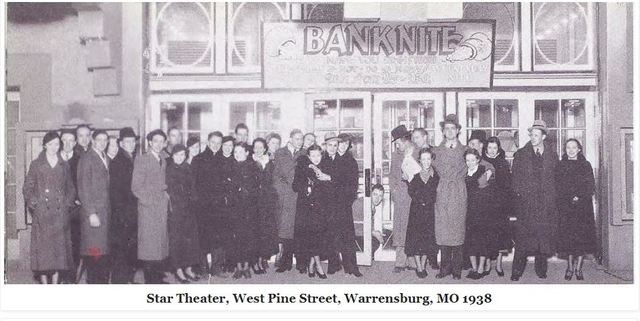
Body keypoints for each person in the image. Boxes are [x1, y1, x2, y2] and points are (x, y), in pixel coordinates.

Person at [23, 131, 75, 284]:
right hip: (43, 214)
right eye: (51, 144)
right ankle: (45, 284)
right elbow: (27, 187)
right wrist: (35, 204)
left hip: (60, 214)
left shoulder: (63, 164)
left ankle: (55, 283)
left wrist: (67, 203)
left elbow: (71, 188)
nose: (54, 147)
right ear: (45, 145)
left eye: (57, 144)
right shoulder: (36, 164)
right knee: (44, 252)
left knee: (58, 252)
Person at [510, 120, 559, 281]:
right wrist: (522, 196)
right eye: (531, 134)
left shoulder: (552, 155)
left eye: (536, 135)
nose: (533, 137)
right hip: (527, 204)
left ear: (543, 136)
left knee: (542, 238)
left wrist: (551, 199)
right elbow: (515, 180)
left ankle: (541, 269)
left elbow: (555, 179)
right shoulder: (521, 154)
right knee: (523, 239)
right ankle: (516, 271)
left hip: (545, 205)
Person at [131, 129, 170, 284]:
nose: (159, 144)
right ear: (149, 143)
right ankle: (151, 282)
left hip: (161, 208)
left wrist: (165, 196)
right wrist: (149, 202)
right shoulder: (142, 159)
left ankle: (157, 278)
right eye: (156, 141)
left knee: (160, 244)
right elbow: (136, 187)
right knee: (149, 247)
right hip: (148, 209)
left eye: (162, 141)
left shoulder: (163, 159)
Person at [432, 114, 468, 280]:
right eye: (446, 128)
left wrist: (489, 170)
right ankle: (444, 268)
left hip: (459, 191)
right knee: (443, 229)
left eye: (453, 128)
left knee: (457, 229)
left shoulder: (465, 150)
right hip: (443, 191)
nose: (450, 131)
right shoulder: (436, 151)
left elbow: (481, 162)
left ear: (458, 130)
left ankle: (457, 269)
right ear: (443, 131)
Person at [555, 138, 596, 281]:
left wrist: (579, 196)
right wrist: (568, 197)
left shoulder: (585, 165)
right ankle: (569, 267)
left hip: (582, 209)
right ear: (565, 150)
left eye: (574, 147)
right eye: (568, 147)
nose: (571, 150)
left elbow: (590, 185)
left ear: (579, 149)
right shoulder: (560, 165)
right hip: (566, 208)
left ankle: (578, 268)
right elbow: (558, 185)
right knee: (568, 239)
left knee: (581, 239)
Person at [77, 129, 111, 284]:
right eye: (99, 140)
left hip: (104, 213)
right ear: (93, 140)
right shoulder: (87, 158)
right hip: (94, 214)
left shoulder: (105, 157)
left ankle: (101, 283)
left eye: (105, 140)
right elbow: (83, 187)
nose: (102, 143)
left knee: (102, 252)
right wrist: (91, 213)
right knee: (94, 252)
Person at [292, 144, 331, 279]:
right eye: (313, 155)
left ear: (322, 155)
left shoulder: (326, 168)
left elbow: (329, 187)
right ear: (308, 157)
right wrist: (306, 188)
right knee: (312, 237)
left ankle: (311, 263)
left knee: (319, 237)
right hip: (306, 208)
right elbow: (295, 186)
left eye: (318, 155)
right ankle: (318, 266)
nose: (316, 158)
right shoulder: (303, 168)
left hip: (321, 207)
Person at [326, 133, 362, 277]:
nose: (343, 146)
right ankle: (333, 264)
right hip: (329, 204)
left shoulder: (350, 161)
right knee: (331, 235)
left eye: (346, 144)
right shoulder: (328, 159)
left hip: (343, 204)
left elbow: (352, 184)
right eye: (341, 143)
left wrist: (346, 198)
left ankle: (351, 266)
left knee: (347, 236)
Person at [191, 131, 225, 279]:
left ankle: (216, 267)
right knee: (203, 237)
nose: (216, 145)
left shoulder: (224, 160)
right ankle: (203, 268)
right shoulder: (198, 159)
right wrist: (197, 202)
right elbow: (193, 184)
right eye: (213, 142)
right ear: (208, 142)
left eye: (219, 143)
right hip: (203, 206)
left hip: (219, 206)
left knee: (218, 237)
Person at [109, 127, 139, 284]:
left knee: (130, 250)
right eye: (127, 141)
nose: (131, 144)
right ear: (120, 143)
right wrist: (123, 215)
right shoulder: (118, 162)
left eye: (133, 141)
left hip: (131, 213)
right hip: (123, 215)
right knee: (121, 251)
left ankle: (128, 279)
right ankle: (120, 283)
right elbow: (115, 192)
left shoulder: (130, 159)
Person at [166, 144, 201, 283]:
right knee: (177, 241)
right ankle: (178, 270)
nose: (179, 158)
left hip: (189, 210)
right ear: (172, 156)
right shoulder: (169, 170)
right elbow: (171, 191)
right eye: (177, 155)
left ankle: (188, 268)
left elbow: (193, 188)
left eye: (182, 155)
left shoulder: (188, 168)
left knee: (190, 241)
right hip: (176, 210)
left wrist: (194, 201)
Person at [273, 129, 305, 273]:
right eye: (297, 139)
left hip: (299, 196)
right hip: (285, 196)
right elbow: (276, 175)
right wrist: (281, 191)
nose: (300, 141)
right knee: (284, 230)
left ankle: (299, 262)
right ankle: (285, 262)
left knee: (296, 229)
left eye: (301, 139)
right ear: (290, 139)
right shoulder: (280, 152)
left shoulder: (304, 153)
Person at [405, 147, 440, 279]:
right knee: (416, 239)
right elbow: (412, 192)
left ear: (432, 160)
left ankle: (423, 264)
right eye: (423, 159)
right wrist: (421, 200)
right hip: (417, 211)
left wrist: (429, 201)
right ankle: (419, 266)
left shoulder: (436, 176)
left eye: (428, 159)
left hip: (430, 211)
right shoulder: (414, 175)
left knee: (427, 240)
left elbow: (437, 193)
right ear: (419, 160)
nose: (426, 161)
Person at [389, 125, 419, 273]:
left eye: (397, 142)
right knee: (400, 227)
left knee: (413, 227)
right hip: (401, 194)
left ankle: (414, 261)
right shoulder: (395, 155)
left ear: (404, 140)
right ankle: (400, 262)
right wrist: (393, 190)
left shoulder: (418, 152)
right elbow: (392, 175)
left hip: (415, 196)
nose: (397, 145)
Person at [463, 149, 497, 280]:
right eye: (467, 160)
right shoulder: (465, 173)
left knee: (482, 240)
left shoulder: (484, 170)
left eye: (472, 160)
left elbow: (484, 188)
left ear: (478, 159)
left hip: (483, 210)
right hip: (469, 210)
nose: (470, 163)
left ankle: (481, 267)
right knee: (471, 240)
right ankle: (474, 267)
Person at [483, 136, 514, 277]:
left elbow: (508, 185)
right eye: (489, 147)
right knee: (487, 235)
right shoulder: (481, 162)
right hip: (485, 204)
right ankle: (488, 265)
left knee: (501, 236)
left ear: (498, 149)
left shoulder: (503, 163)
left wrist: (506, 203)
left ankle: (499, 265)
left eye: (495, 147)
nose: (492, 150)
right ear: (485, 148)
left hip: (500, 205)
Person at [228, 142, 260, 279]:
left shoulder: (253, 167)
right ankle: (238, 267)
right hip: (234, 208)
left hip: (249, 208)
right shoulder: (230, 166)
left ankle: (246, 266)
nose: (237, 155)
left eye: (240, 152)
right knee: (236, 238)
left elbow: (255, 188)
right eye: (235, 152)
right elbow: (228, 187)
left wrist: (241, 188)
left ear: (247, 153)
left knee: (248, 238)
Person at [252, 138, 279, 274]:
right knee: (255, 232)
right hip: (253, 202)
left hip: (267, 201)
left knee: (266, 231)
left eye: (260, 147)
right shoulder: (250, 162)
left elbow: (274, 181)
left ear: (265, 148)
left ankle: (263, 258)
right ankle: (255, 261)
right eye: (255, 147)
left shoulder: (270, 162)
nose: (258, 150)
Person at [59, 128, 82, 283]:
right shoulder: (53, 158)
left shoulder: (81, 159)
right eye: (64, 140)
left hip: (74, 209)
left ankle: (70, 279)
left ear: (75, 143)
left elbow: (84, 182)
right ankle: (57, 277)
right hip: (56, 209)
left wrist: (79, 199)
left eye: (70, 140)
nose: (67, 144)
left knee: (73, 243)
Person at [218, 136, 237, 273]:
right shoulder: (216, 160)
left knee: (233, 232)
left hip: (233, 201)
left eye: (231, 145)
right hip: (219, 202)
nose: (228, 147)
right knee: (222, 232)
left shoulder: (235, 160)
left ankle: (231, 261)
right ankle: (222, 261)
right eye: (225, 145)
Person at [352, 184, 386, 259]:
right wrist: (373, 233)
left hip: (362, 234)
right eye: (375, 194)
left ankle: (367, 258)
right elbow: (353, 226)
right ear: (370, 193)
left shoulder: (372, 207)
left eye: (380, 196)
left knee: (380, 237)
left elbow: (368, 225)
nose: (377, 198)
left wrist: (376, 232)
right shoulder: (360, 203)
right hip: (352, 236)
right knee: (374, 242)